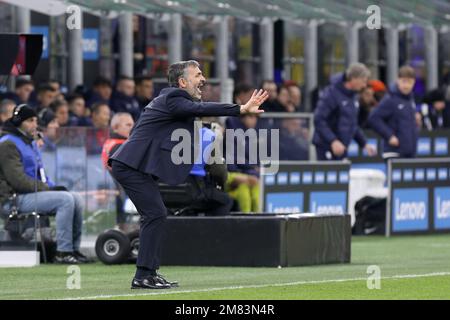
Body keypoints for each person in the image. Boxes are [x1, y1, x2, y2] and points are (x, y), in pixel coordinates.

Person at [109, 60, 268, 289]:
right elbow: (201, 110)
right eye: (198, 75)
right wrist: (240, 108)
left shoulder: (170, 102)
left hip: (136, 168)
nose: (203, 79)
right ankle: (144, 275)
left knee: (156, 214)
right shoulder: (174, 98)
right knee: (155, 214)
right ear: (183, 82)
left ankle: (149, 273)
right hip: (130, 167)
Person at [0, 104, 89, 264]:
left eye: (35, 120)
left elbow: (41, 174)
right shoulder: (7, 144)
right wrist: (48, 188)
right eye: (30, 121)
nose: (35, 124)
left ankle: (74, 250)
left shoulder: (30, 142)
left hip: (31, 194)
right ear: (19, 122)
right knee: (65, 200)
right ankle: (63, 252)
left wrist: (52, 186)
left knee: (75, 198)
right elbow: (17, 180)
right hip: (13, 199)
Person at [312, 62, 376, 160]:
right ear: (354, 78)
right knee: (329, 175)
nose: (364, 85)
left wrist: (364, 144)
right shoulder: (331, 94)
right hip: (327, 146)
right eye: (363, 81)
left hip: (342, 147)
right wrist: (333, 141)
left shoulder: (353, 96)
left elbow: (352, 124)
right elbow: (319, 119)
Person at [368, 66, 419, 159]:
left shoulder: (411, 100)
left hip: (409, 152)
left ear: (414, 82)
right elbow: (373, 118)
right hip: (394, 152)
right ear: (398, 80)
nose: (406, 85)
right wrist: (389, 136)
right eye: (404, 81)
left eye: (410, 82)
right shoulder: (390, 99)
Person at [101, 113, 135, 229]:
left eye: (133, 124)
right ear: (115, 127)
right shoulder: (119, 146)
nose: (132, 127)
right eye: (128, 125)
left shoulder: (111, 142)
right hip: (124, 192)